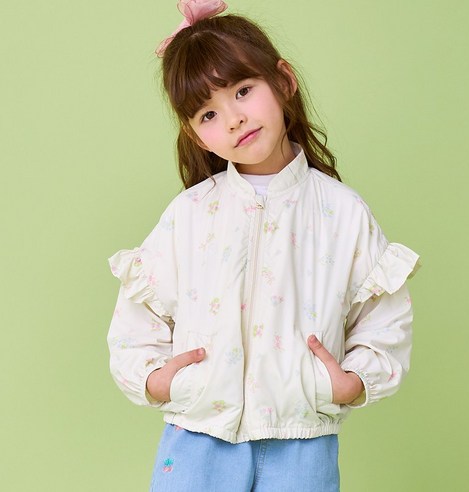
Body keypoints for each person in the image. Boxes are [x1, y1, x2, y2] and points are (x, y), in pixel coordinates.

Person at [107, 1, 420, 490]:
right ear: (197, 135)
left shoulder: (342, 212)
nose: (233, 119)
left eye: (243, 91)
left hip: (301, 438)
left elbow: (384, 318)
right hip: (198, 437)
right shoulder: (189, 214)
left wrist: (351, 382)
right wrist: (157, 379)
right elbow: (136, 320)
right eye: (209, 113)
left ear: (284, 81)